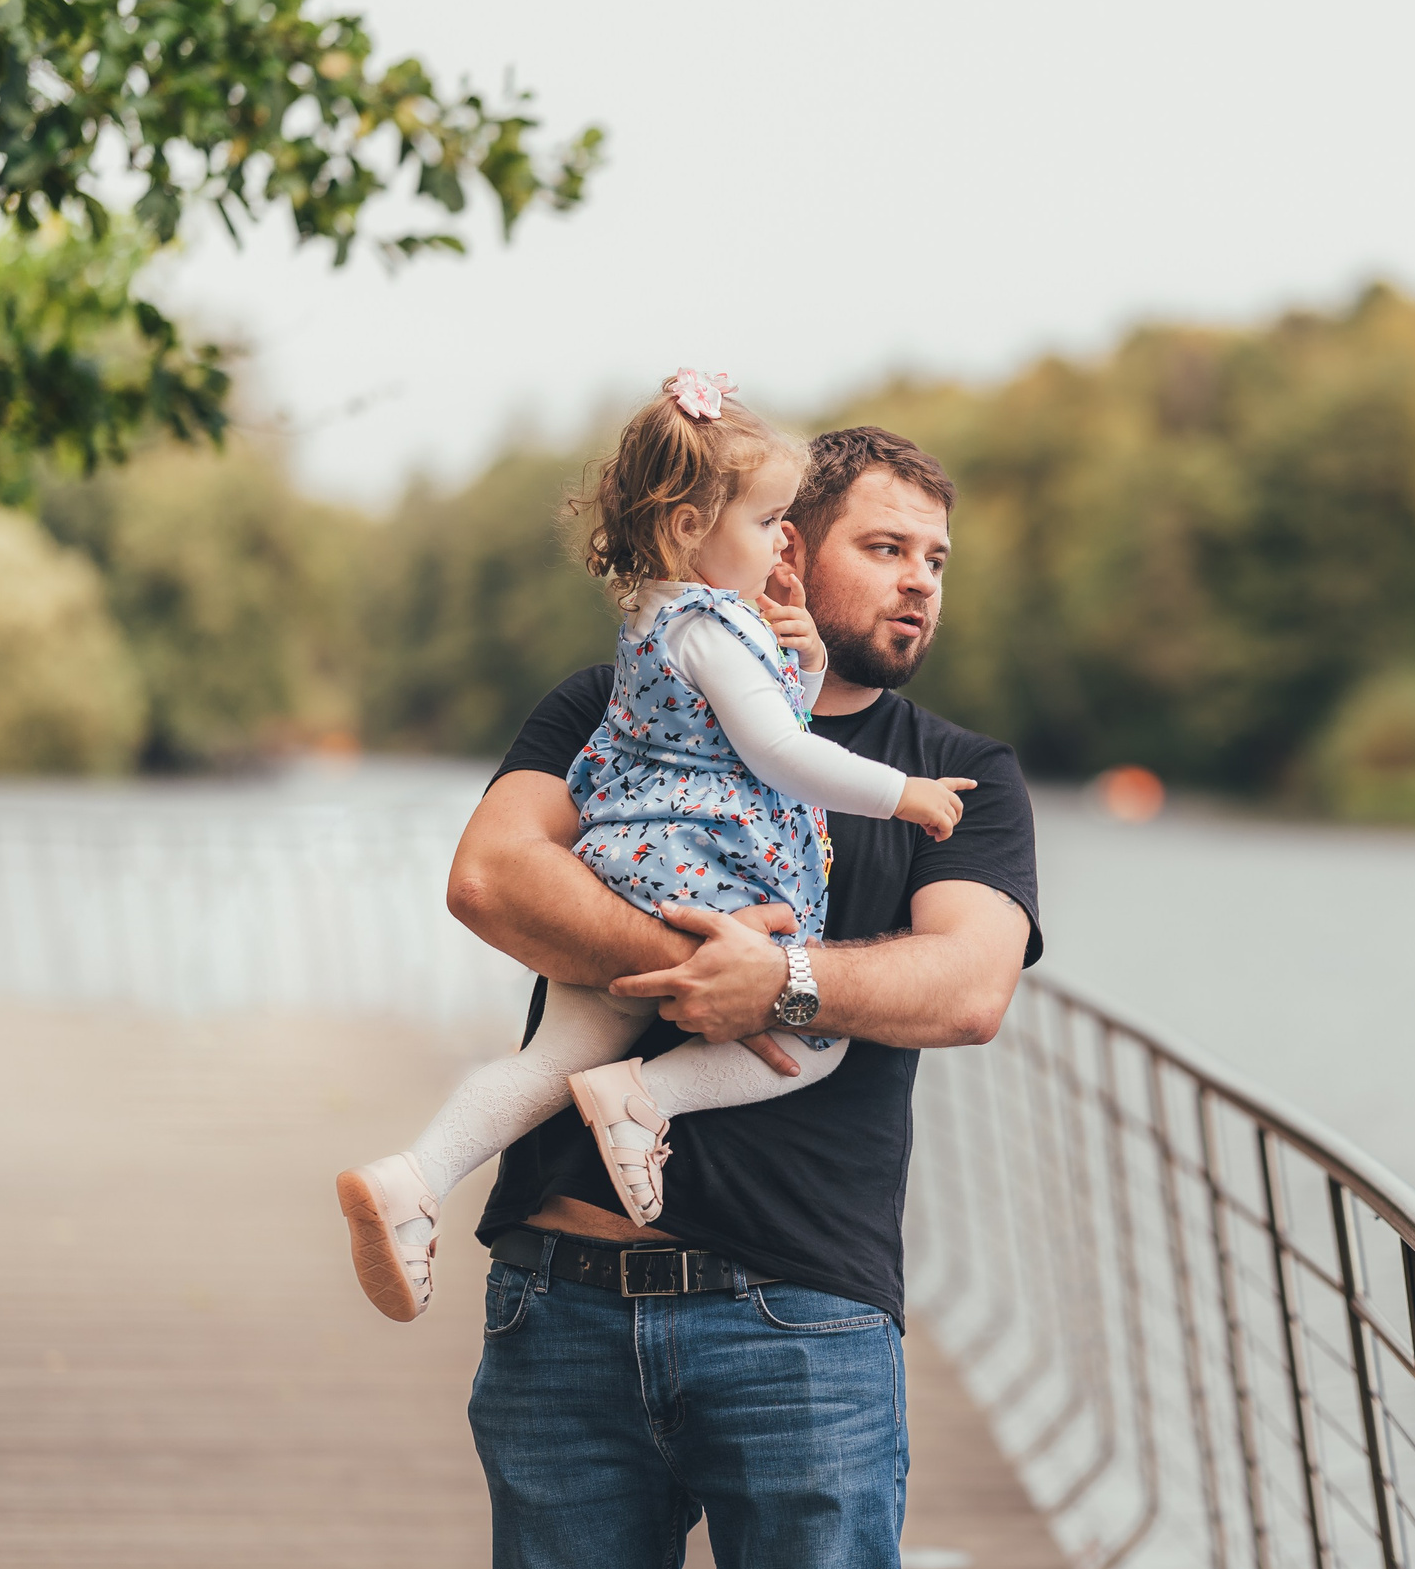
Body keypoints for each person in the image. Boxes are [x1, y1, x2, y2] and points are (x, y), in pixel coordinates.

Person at [445, 425, 1041, 1569]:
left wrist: (780, 983)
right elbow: (492, 879)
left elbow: (969, 987)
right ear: (783, 553)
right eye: (883, 547)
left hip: (801, 1318)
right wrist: (697, 968)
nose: (920, 578)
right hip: (560, 1303)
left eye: (935, 556)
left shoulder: (957, 774)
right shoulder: (618, 701)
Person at [334, 373, 975, 1324]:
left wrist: (797, 657)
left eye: (935, 557)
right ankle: (646, 1098)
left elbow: (970, 991)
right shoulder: (714, 628)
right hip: (704, 872)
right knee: (818, 1037)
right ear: (688, 530)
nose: (776, 548)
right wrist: (902, 795)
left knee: (553, 1060)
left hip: (624, 859)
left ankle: (415, 1177)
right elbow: (777, 751)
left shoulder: (659, 622)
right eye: (768, 527)